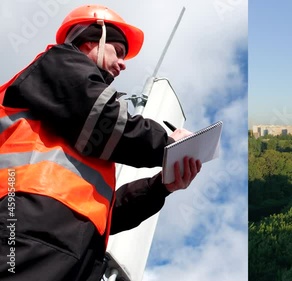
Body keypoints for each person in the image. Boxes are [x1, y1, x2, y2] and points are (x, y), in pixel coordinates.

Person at [0, 5, 202, 280]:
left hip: (71, 247)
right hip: (24, 224)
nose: (123, 63)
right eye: (118, 51)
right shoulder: (60, 61)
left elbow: (107, 214)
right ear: (93, 39)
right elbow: (103, 119)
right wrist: (167, 143)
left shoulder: (84, 137)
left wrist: (161, 187)